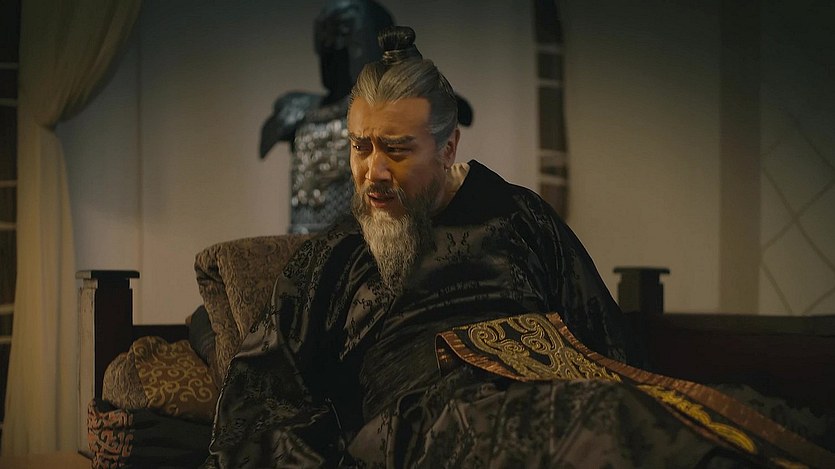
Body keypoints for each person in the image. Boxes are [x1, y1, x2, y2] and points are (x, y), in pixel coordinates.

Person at [204, 26, 830, 468]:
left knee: (713, 417)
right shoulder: (331, 259)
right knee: (599, 428)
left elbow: (601, 337)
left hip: (554, 389)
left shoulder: (517, 215)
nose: (374, 171)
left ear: (447, 148)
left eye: (396, 150)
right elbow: (261, 397)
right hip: (428, 424)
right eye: (361, 146)